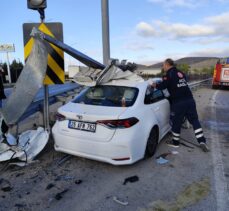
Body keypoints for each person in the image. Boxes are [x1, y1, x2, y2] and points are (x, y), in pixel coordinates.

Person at [150, 58, 209, 152]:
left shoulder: (168, 74)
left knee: (176, 122)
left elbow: (163, 86)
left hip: (178, 102)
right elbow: (181, 83)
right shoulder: (180, 73)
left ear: (167, 65)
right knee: (194, 121)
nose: (163, 67)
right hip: (190, 100)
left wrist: (154, 85)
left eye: (163, 65)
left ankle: (175, 142)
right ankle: (202, 141)